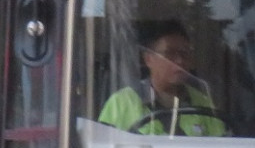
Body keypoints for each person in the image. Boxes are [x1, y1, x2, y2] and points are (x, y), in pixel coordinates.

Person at [98, 21, 228, 136]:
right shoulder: (121, 103)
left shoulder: (203, 103)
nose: (179, 61)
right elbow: (103, 147)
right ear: (149, 59)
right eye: (169, 53)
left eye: (184, 53)